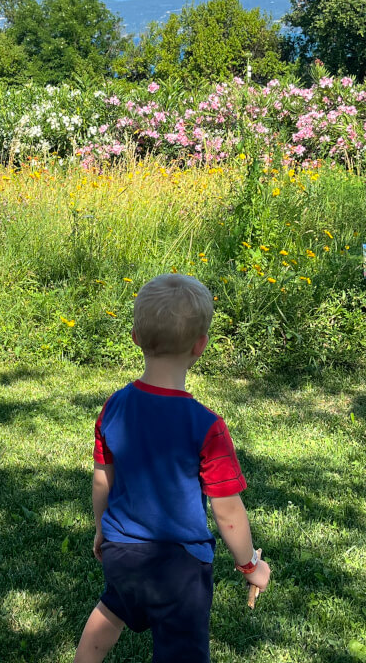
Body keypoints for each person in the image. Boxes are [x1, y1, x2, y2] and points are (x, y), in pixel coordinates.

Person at [73, 274, 271, 663]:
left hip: (121, 551)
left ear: (135, 336)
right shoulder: (206, 426)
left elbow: (102, 478)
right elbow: (227, 510)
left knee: (114, 607)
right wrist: (250, 564)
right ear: (201, 345)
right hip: (180, 566)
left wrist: (101, 529)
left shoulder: (114, 407)